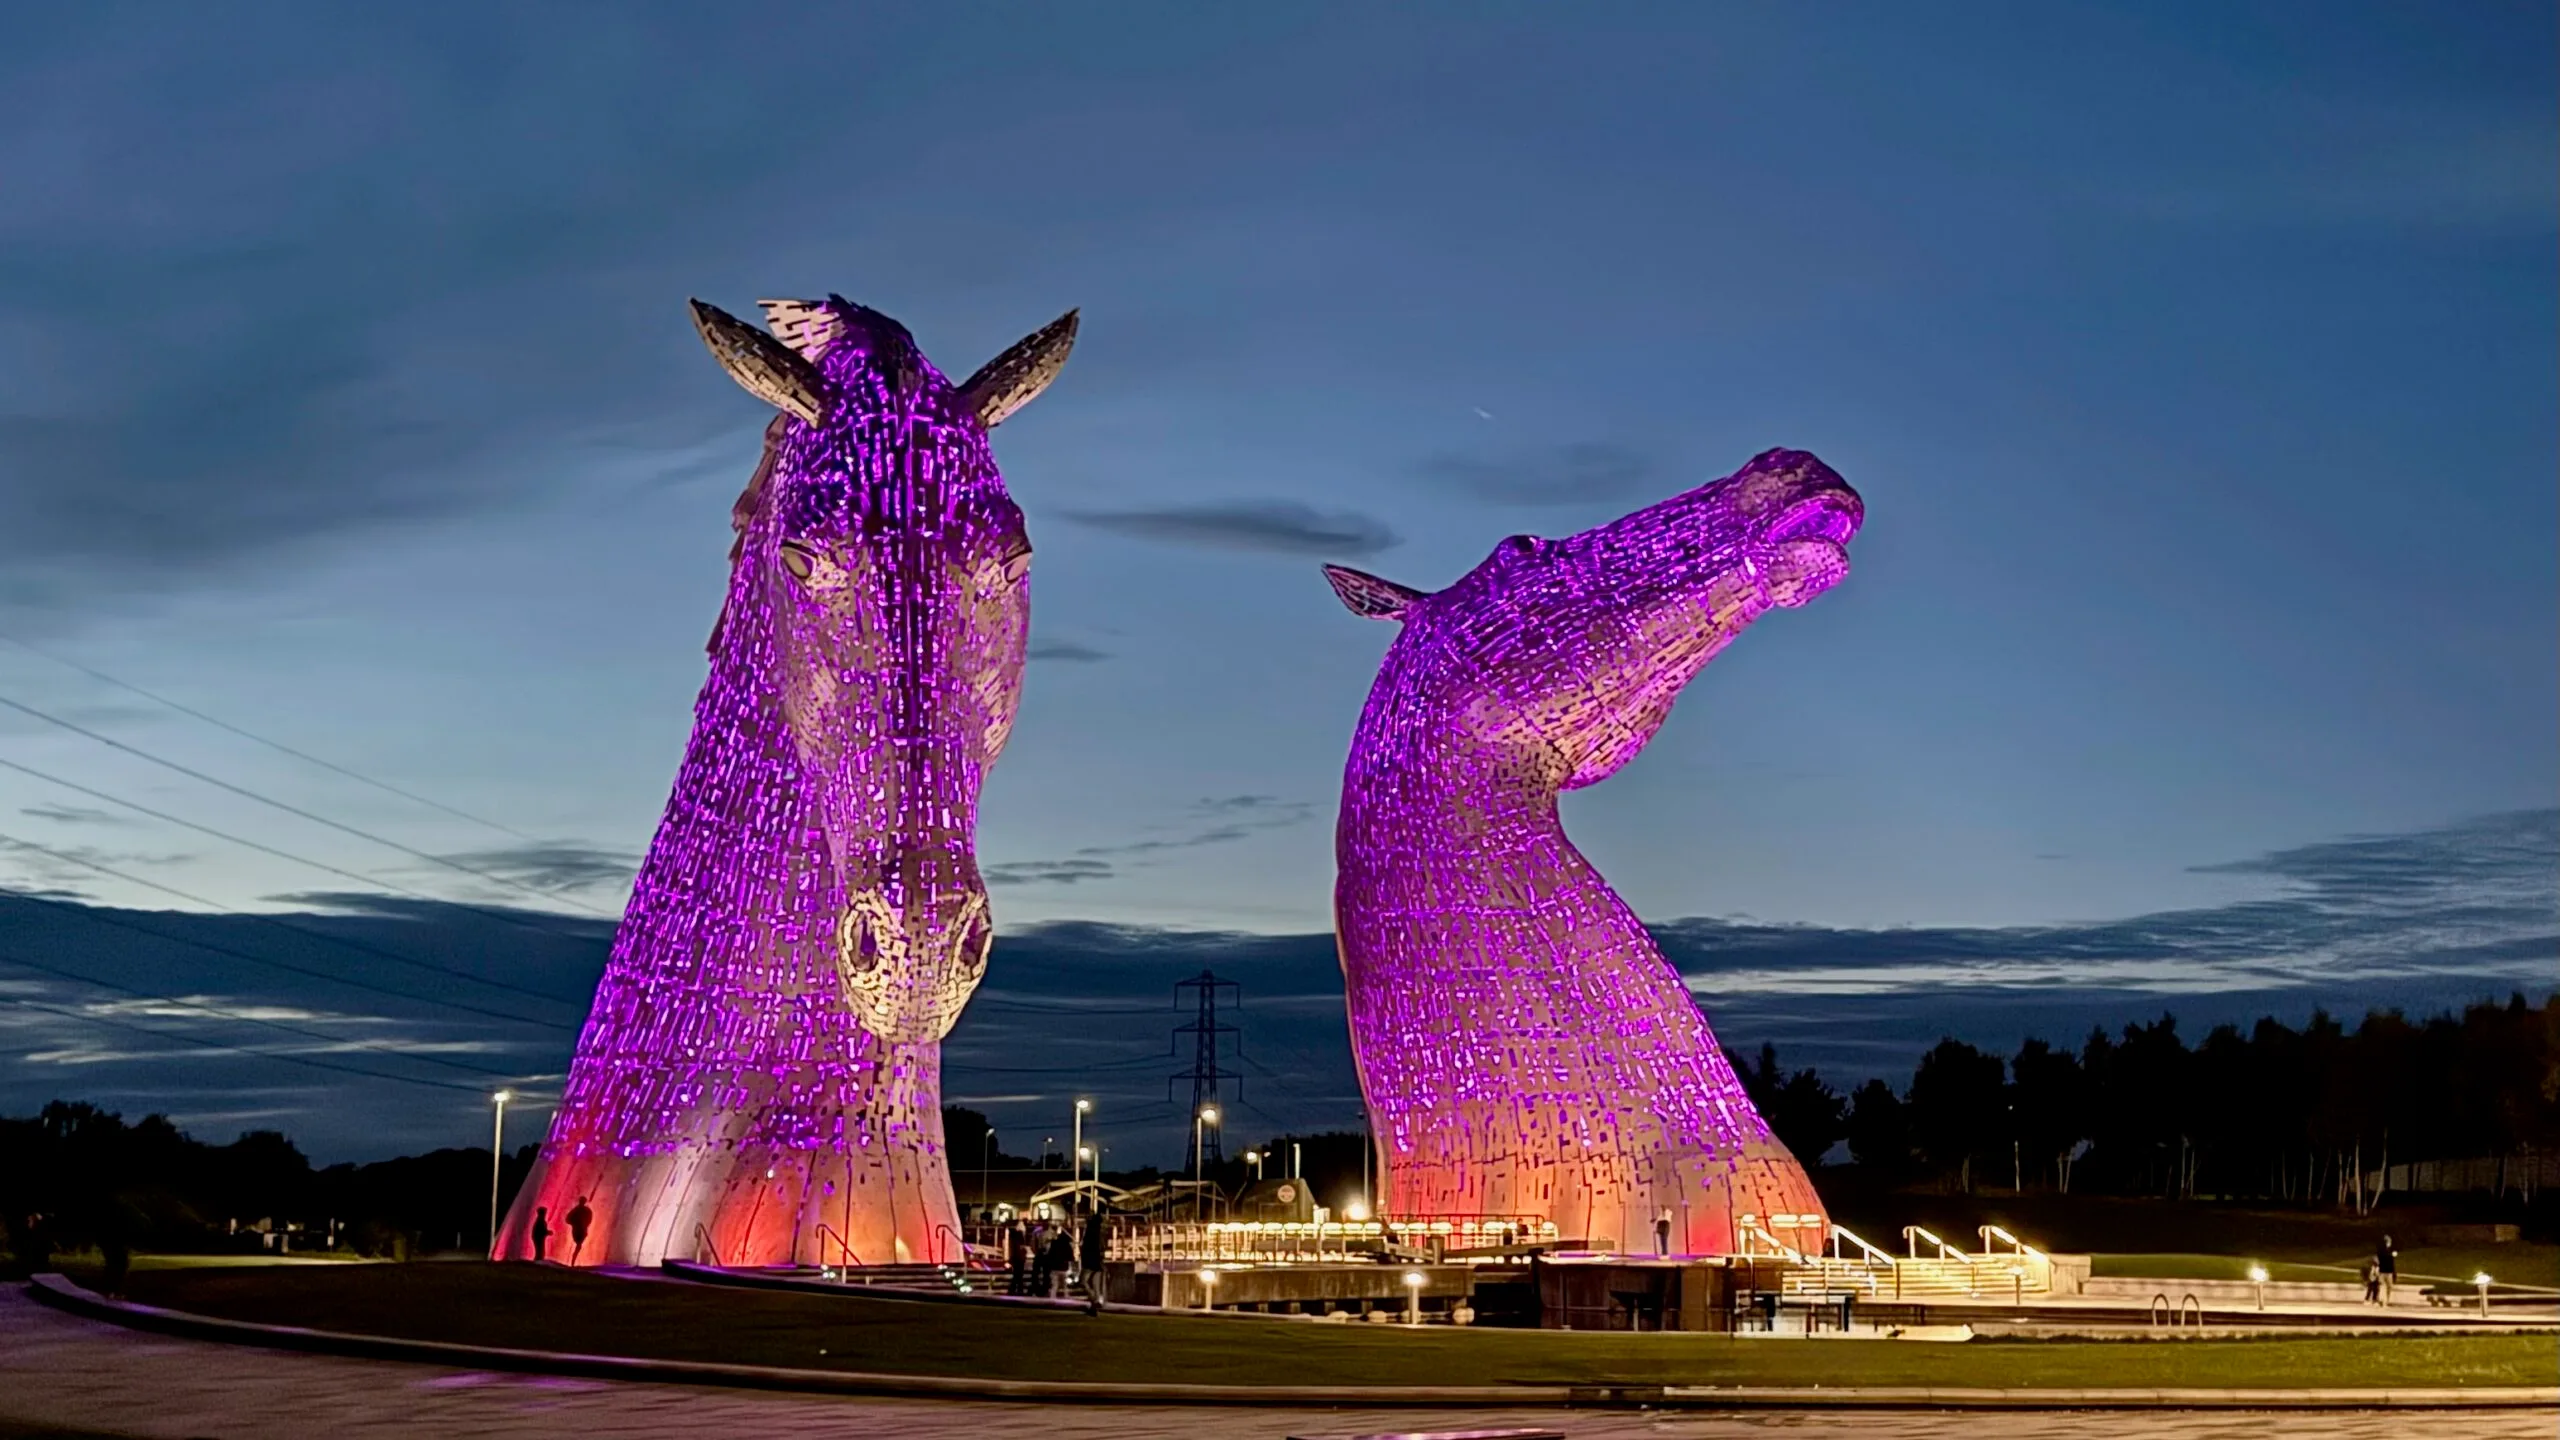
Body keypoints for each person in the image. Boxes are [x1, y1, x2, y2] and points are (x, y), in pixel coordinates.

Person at [1080, 1209, 1109, 1314]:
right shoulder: (1100, 1232)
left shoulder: (1090, 1231)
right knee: (1095, 1285)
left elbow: (1087, 1247)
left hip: (1090, 1260)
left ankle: (1095, 1301)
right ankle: (1094, 1306)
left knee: (1083, 1281)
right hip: (1097, 1260)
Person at [1045, 1228, 1075, 1298]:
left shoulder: (1054, 1244)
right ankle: (1066, 1295)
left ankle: (1053, 1296)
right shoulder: (1067, 1245)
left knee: (1055, 1284)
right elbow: (1071, 1257)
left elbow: (1050, 1255)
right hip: (1064, 1267)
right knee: (1064, 1284)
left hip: (1054, 1267)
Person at [565, 1196, 593, 1265]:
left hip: (581, 1229)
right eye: (581, 1201)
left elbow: (589, 1219)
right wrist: (574, 1223)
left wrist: (585, 1225)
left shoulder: (585, 1210)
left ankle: (573, 1261)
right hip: (578, 1229)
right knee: (578, 1244)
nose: (582, 1202)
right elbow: (567, 1219)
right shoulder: (577, 1210)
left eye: (583, 1201)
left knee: (579, 1244)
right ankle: (573, 1260)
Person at [2375, 1234, 2398, 1304]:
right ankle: (2381, 1299)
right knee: (2382, 1285)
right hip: (2383, 1270)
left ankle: (2386, 1300)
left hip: (2389, 1270)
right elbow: (2380, 1257)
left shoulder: (2390, 1249)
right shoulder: (2382, 1250)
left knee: (2389, 1286)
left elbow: (2392, 1259)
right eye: (2389, 1241)